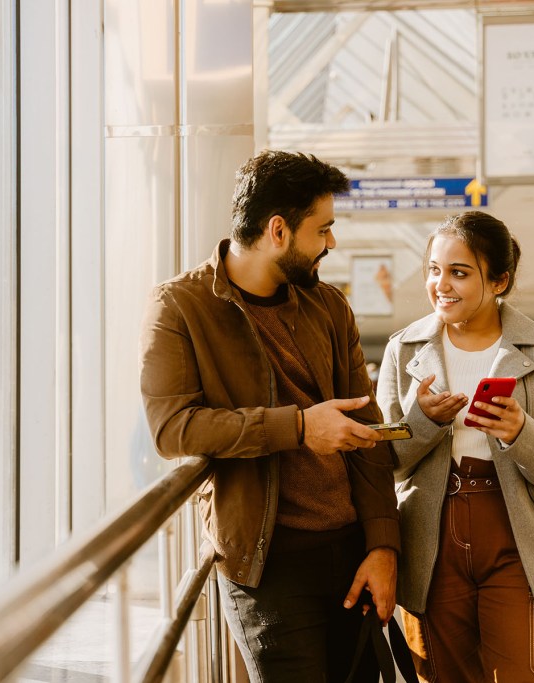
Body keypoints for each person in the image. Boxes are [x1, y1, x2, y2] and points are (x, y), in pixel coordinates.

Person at [139, 150, 400, 682]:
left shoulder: (329, 306)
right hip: (266, 565)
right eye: (322, 230)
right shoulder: (179, 307)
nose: (332, 243)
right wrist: (300, 427)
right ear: (278, 230)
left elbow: (367, 429)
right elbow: (172, 430)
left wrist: (382, 545)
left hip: (352, 552)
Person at [376, 211, 534, 682]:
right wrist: (423, 422)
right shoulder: (404, 349)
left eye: (459, 272)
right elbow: (383, 463)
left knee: (530, 673)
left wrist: (520, 432)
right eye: (434, 269)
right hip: (430, 539)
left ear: (499, 281)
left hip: (520, 534)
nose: (441, 285)